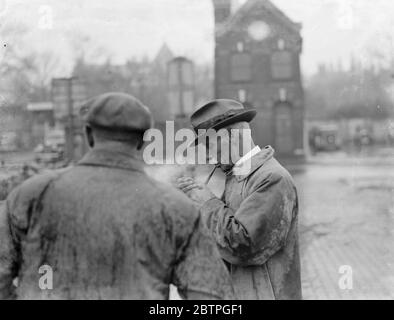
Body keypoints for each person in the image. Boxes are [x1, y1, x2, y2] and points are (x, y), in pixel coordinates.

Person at [0, 93, 233, 300]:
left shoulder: (30, 195)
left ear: (89, 134)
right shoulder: (176, 208)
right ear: (143, 140)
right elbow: (211, 298)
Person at [177, 99, 302, 300]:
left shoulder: (272, 179)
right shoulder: (236, 175)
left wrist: (207, 202)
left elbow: (244, 246)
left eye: (209, 144)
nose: (208, 155)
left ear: (233, 138)